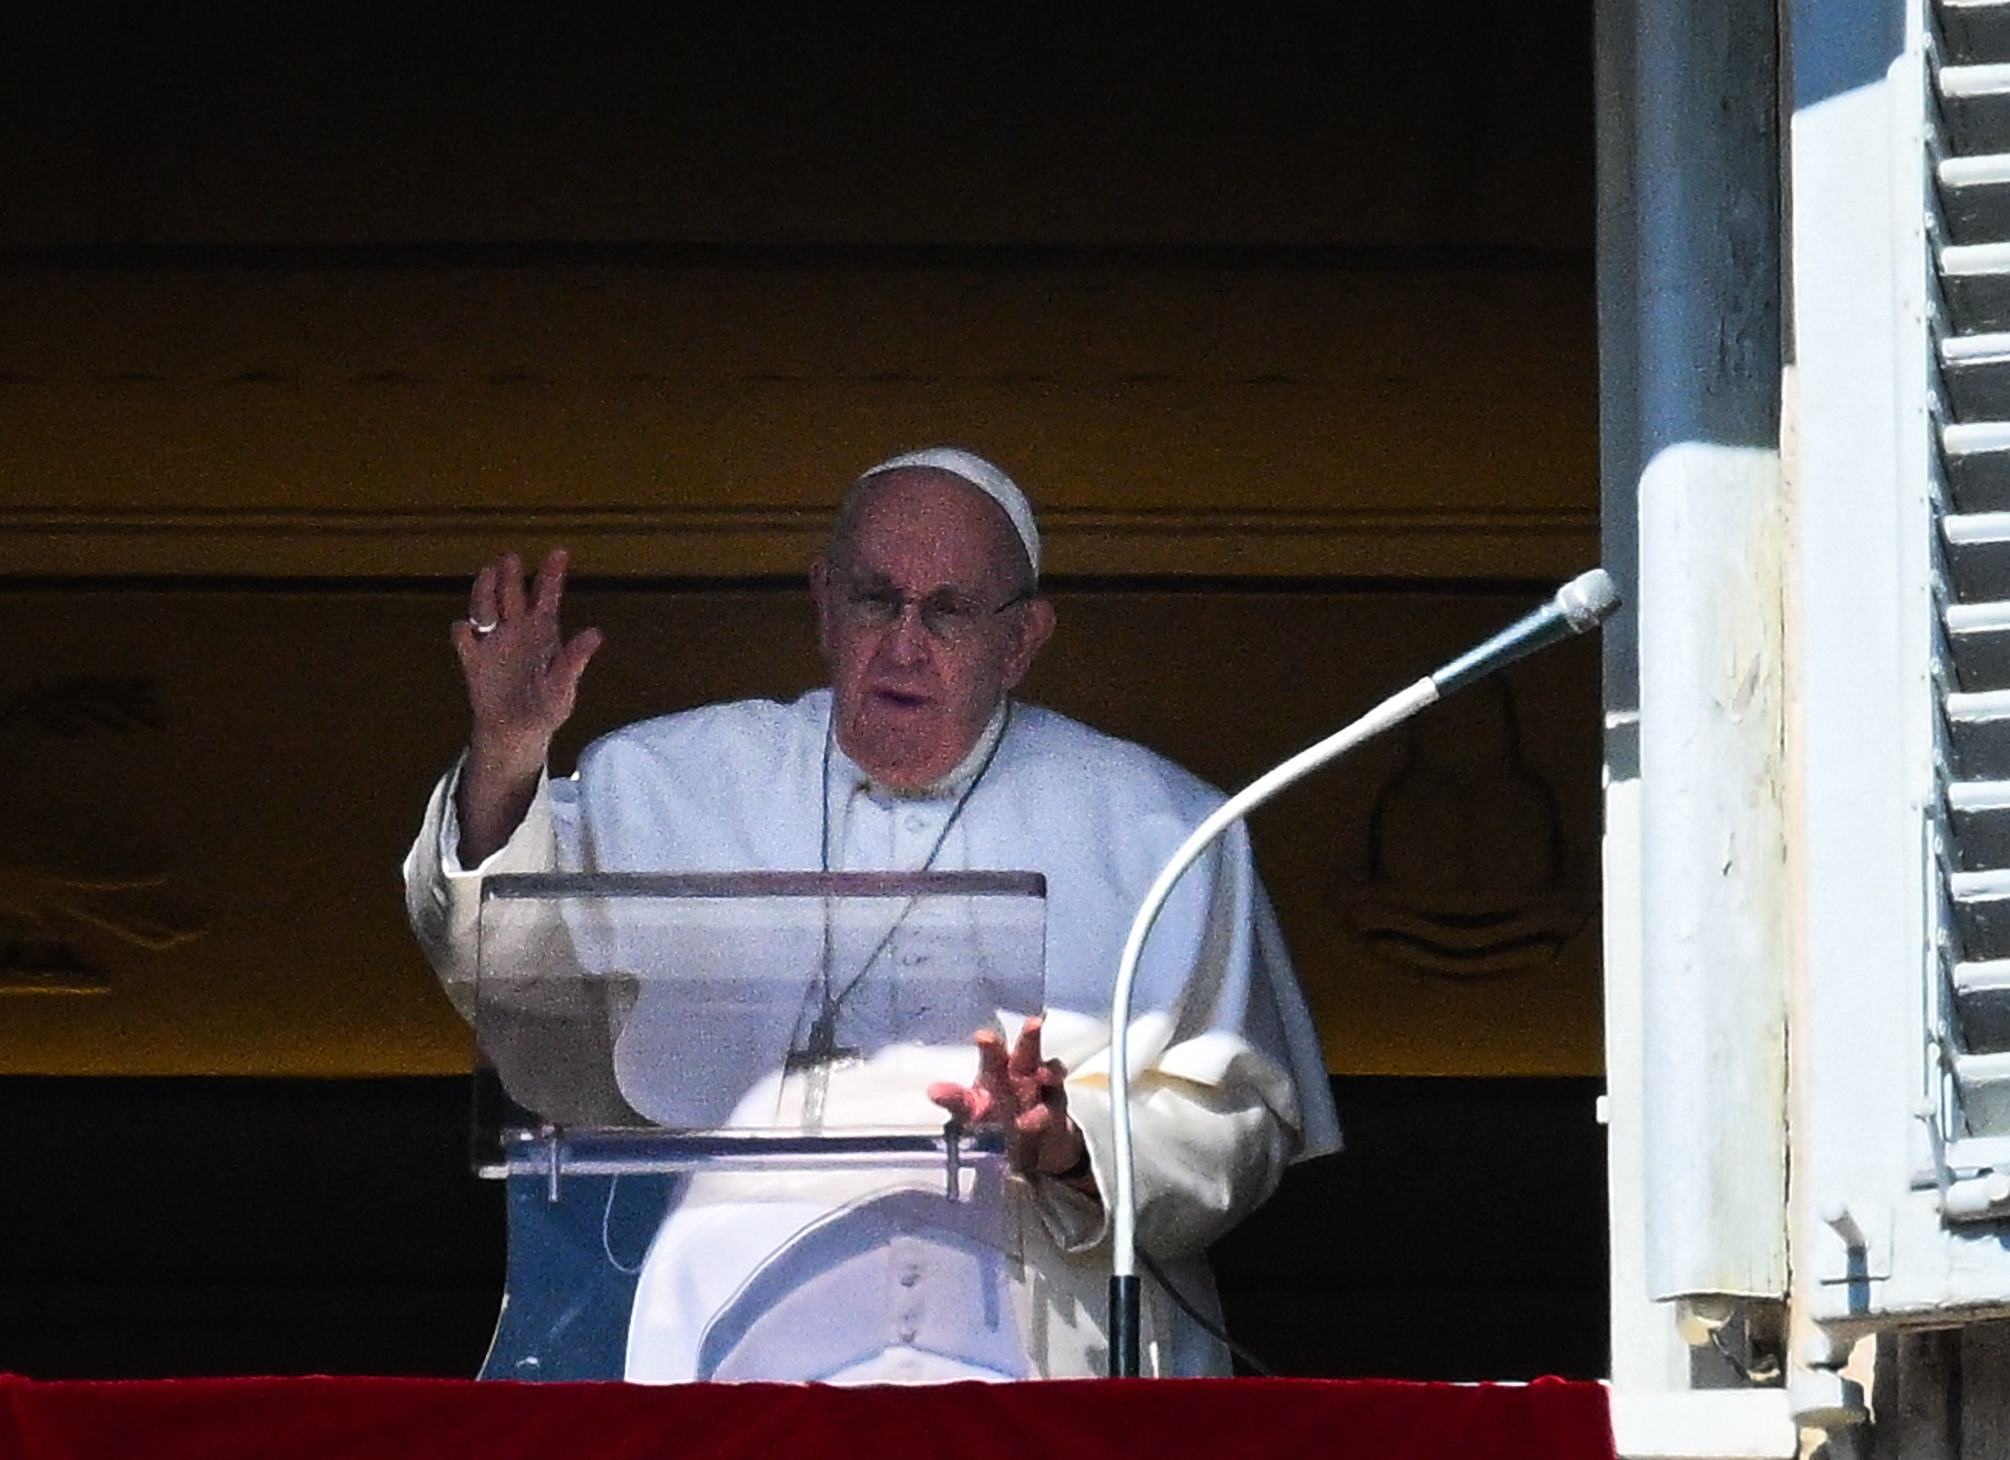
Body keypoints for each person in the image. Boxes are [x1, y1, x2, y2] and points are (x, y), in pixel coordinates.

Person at [403, 448, 1338, 1379]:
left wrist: (1069, 1142)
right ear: (821, 603)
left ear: (1023, 640)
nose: (904, 642)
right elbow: (507, 970)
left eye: (949, 611)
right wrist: (509, 753)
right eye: (873, 599)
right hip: (731, 1346)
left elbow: (1240, 1119)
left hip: (1050, 1354)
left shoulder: (1157, 826)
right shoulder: (664, 780)